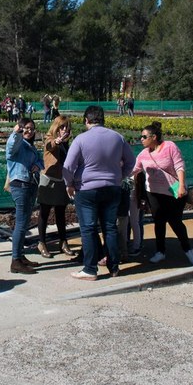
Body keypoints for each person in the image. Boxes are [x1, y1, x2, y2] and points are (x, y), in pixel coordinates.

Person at [63, 106, 135, 279]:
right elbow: (131, 161)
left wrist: (69, 184)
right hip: (112, 187)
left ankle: (90, 269)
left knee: (88, 229)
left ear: (86, 120)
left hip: (87, 189)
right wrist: (119, 176)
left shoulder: (81, 139)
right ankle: (114, 266)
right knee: (109, 227)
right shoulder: (118, 137)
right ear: (103, 120)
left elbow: (68, 166)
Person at [132, 121, 193, 265]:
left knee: (175, 221)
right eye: (140, 137)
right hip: (154, 192)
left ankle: (188, 249)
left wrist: (181, 186)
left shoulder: (170, 146)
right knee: (159, 221)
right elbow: (134, 169)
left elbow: (180, 165)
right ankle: (160, 251)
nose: (141, 139)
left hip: (173, 190)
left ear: (153, 137)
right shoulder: (143, 154)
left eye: (144, 136)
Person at [6, 117, 44, 274]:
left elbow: (41, 161)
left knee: (25, 221)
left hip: (30, 184)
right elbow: (10, 148)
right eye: (26, 128)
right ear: (20, 128)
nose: (29, 131)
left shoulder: (30, 147)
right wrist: (16, 133)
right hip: (20, 185)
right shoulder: (18, 144)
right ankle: (15, 261)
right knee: (21, 223)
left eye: (32, 128)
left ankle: (20, 256)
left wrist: (38, 165)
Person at [37, 116, 77, 258]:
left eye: (66, 127)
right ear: (56, 127)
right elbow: (49, 145)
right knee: (44, 212)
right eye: (61, 127)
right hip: (49, 180)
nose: (64, 129)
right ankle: (41, 242)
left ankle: (63, 242)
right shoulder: (50, 139)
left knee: (61, 212)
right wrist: (57, 141)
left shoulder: (67, 143)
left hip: (61, 180)